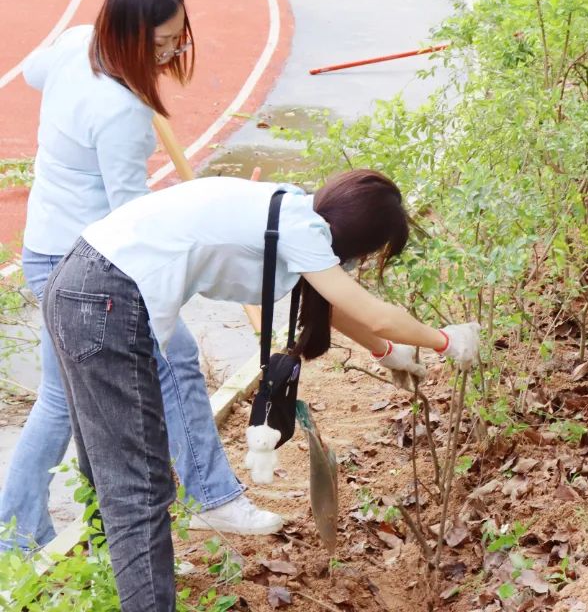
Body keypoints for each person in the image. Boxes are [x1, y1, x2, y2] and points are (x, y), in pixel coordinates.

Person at [42, 170, 481, 611]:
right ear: (357, 241)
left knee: (110, 473)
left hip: (82, 282)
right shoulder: (301, 229)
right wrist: (446, 340)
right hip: (104, 299)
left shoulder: (294, 210)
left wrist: (384, 350)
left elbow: (334, 305)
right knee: (139, 488)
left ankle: (115, 582)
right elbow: (372, 310)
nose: (356, 266)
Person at [0, 0, 280, 552]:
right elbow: (135, 229)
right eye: (161, 43)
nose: (175, 50)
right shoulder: (122, 112)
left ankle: (14, 533)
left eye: (179, 37)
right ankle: (214, 496)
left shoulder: (80, 41)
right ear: (127, 36)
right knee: (174, 359)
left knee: (60, 400)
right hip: (85, 268)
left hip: (47, 251)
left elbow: (30, 73)